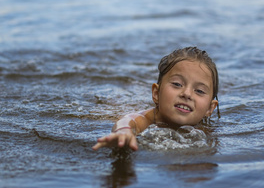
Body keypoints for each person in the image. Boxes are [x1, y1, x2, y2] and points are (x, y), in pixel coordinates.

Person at [92, 46, 220, 151]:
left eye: (199, 91)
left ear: (210, 108)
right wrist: (123, 131)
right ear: (156, 93)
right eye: (177, 84)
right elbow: (127, 121)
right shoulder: (146, 119)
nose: (187, 94)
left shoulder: (206, 131)